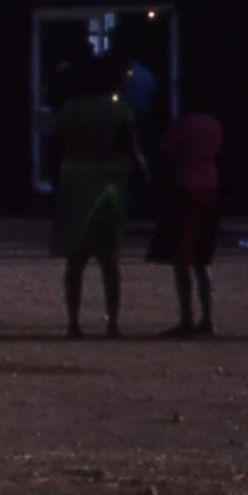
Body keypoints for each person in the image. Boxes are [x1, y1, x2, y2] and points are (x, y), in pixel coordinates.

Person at [48, 52, 151, 339]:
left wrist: (55, 186)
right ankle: (112, 323)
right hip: (110, 183)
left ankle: (73, 322)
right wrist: (149, 189)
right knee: (109, 259)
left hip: (75, 180)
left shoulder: (69, 109)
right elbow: (134, 152)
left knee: (76, 259)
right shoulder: (119, 110)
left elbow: (54, 150)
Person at [151, 97, 224, 336]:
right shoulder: (213, 125)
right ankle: (208, 317)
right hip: (209, 187)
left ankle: (187, 318)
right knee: (202, 259)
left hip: (181, 189)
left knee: (181, 257)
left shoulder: (179, 125)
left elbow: (165, 155)